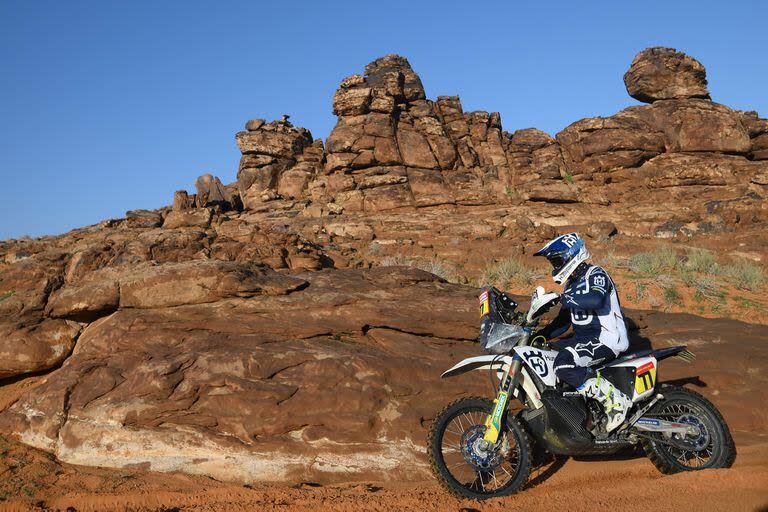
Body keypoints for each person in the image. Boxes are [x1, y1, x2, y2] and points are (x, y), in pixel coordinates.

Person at [533, 232, 631, 433]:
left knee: (564, 364)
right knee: (545, 353)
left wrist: (563, 298)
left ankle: (615, 401)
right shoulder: (571, 285)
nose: (555, 266)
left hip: (606, 339)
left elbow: (596, 299)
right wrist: (538, 337)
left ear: (572, 255)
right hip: (584, 340)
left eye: (557, 260)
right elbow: (562, 323)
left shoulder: (596, 274)